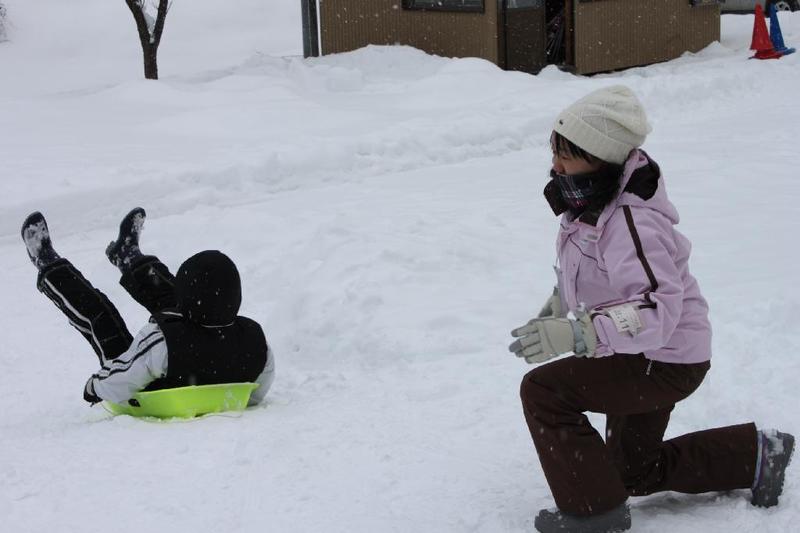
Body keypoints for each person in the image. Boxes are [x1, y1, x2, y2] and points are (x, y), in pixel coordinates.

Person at [508, 85, 794, 533]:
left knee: (545, 391)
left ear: (600, 158)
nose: (555, 165)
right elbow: (599, 270)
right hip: (640, 350)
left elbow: (656, 310)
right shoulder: (591, 199)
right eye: (554, 152)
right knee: (630, 472)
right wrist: (560, 304)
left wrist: (581, 333)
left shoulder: (630, 220)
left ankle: (594, 514)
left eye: (567, 155)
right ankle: (755, 454)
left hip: (662, 358)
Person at [21, 207, 275, 407]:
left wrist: (94, 387)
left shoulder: (162, 343)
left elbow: (123, 377)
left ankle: (47, 263)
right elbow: (255, 393)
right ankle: (127, 256)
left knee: (100, 316)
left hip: (142, 389)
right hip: (194, 349)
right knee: (191, 298)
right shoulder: (256, 340)